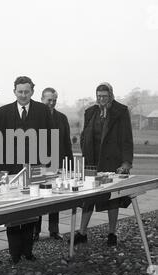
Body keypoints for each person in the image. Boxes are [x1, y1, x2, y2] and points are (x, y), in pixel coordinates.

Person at [0, 76, 54, 264]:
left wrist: (47, 167)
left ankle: (28, 250)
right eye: (20, 91)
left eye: (27, 91)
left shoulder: (43, 111)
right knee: (13, 211)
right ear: (14, 91)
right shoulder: (2, 112)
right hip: (10, 169)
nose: (23, 95)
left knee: (31, 210)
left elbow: (49, 139)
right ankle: (14, 253)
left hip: (35, 168)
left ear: (32, 92)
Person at [72, 82, 133, 246]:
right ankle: (82, 232)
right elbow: (84, 134)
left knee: (112, 199)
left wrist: (126, 162)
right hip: (92, 163)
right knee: (88, 199)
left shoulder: (121, 111)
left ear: (111, 95)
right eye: (99, 96)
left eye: (105, 96)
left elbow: (127, 138)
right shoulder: (90, 112)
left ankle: (112, 233)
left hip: (112, 162)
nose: (101, 99)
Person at [33, 87, 73, 242]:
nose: (51, 103)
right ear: (42, 99)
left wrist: (68, 164)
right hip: (39, 163)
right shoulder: (35, 117)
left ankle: (54, 230)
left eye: (54, 100)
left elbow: (66, 142)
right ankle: (35, 231)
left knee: (55, 197)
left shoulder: (62, 118)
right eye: (49, 100)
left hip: (56, 163)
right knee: (37, 197)